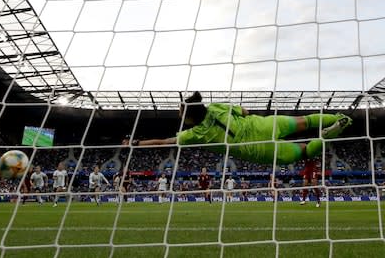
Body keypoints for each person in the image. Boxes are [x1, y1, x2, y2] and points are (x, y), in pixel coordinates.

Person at [122, 91, 352, 166]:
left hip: (258, 149)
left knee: (303, 152)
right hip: (266, 125)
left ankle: (325, 138)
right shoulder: (215, 107)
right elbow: (245, 112)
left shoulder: (194, 135)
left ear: (190, 119)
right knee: (306, 121)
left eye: (181, 111)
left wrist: (136, 143)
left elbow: (163, 142)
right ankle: (340, 116)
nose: (179, 113)